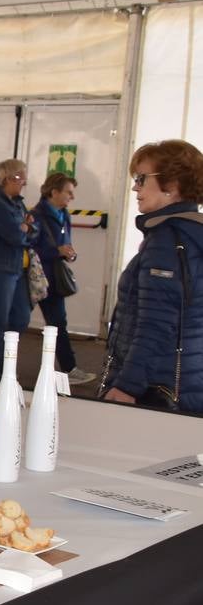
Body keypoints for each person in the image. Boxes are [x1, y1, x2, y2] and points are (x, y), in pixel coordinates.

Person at [101, 140, 203, 413]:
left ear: (172, 186)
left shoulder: (167, 242)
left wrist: (127, 386)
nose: (135, 187)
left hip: (156, 388)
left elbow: (156, 324)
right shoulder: (192, 235)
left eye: (142, 178)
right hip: (189, 383)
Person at [0, 158, 40, 382]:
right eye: (19, 177)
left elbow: (34, 231)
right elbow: (15, 236)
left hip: (17, 270)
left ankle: (6, 363)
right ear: (6, 178)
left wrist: (27, 227)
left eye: (24, 177)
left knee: (21, 317)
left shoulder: (17, 203)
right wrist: (25, 228)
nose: (23, 182)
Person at [32, 173, 97, 386]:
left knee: (58, 323)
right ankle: (68, 369)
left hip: (54, 279)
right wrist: (56, 251)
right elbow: (29, 248)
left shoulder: (64, 215)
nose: (72, 197)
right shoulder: (36, 216)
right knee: (17, 321)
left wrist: (70, 253)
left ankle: (68, 368)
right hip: (36, 278)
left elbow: (65, 245)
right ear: (54, 192)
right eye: (68, 192)